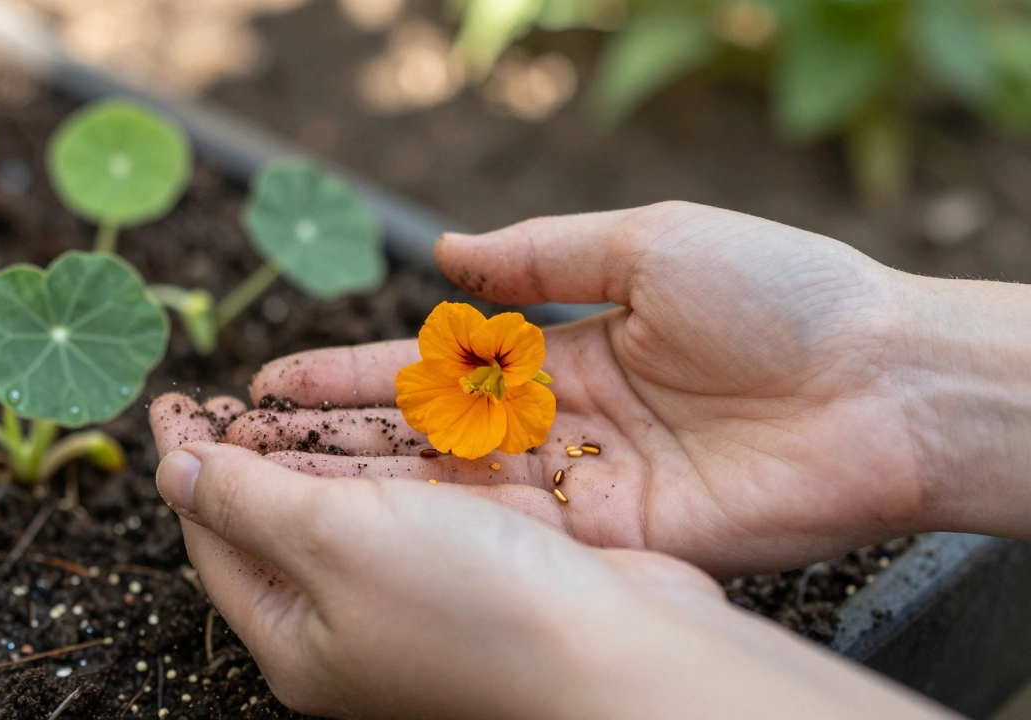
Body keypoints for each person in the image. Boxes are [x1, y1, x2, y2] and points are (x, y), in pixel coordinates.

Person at [149, 201, 1031, 719]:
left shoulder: (523, 390)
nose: (491, 384)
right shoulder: (492, 384)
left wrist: (556, 652)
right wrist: (901, 369)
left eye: (495, 376)